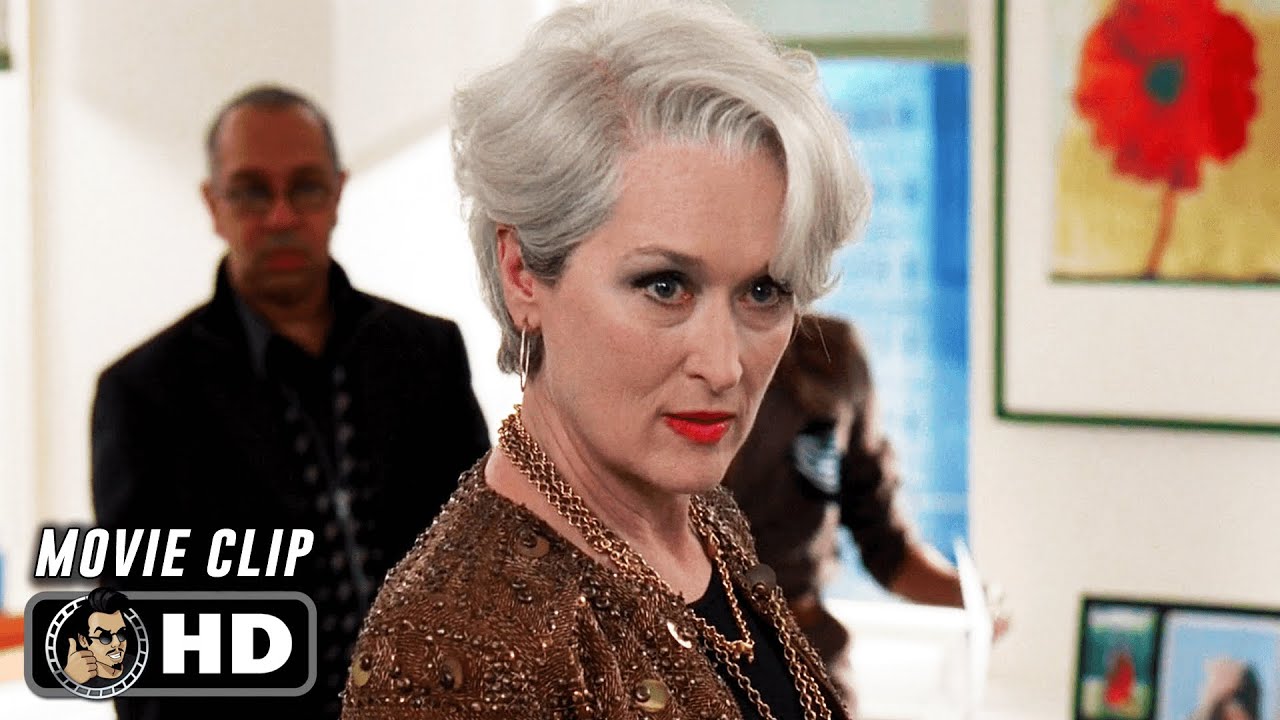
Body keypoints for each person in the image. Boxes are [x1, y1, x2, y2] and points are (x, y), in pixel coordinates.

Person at [340, 1, 870, 718]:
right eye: (664, 286)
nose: (723, 367)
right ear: (523, 274)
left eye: (763, 291)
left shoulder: (704, 519)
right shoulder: (456, 649)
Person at [91, 85, 490, 718]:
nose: (280, 216)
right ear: (213, 204)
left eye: (304, 188)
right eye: (252, 192)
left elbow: (485, 554)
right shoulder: (146, 393)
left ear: (337, 192)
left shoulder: (426, 353)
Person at [724, 313, 1008, 705]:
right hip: (690, 651)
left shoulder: (831, 356)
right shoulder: (683, 357)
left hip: (806, 655)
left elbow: (886, 546)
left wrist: (975, 599)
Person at [62, 587, 134, 688]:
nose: (117, 643)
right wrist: (68, 679)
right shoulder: (70, 675)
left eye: (121, 633)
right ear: (83, 640)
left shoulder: (134, 664)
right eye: (105, 637)